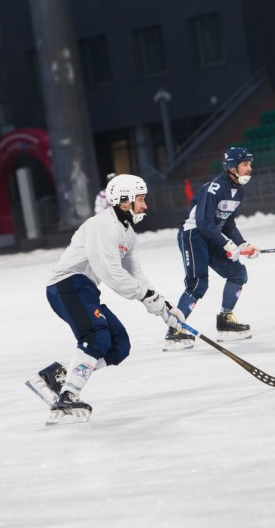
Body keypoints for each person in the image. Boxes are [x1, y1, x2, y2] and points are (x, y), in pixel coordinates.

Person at [26, 174, 185, 425]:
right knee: (96, 336)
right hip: (67, 285)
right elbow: (110, 272)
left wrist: (164, 308)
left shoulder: (127, 232)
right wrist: (146, 296)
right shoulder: (102, 225)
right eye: (140, 199)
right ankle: (67, 396)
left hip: (85, 289)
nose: (145, 206)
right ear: (124, 201)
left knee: (118, 345)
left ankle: (55, 376)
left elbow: (136, 275)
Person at [164, 147, 258, 351]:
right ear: (232, 167)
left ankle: (225, 320)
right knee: (198, 284)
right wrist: (226, 244)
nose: (249, 168)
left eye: (250, 164)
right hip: (194, 234)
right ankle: (175, 329)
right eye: (245, 164)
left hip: (212, 235)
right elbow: (204, 222)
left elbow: (228, 223)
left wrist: (242, 244)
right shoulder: (215, 188)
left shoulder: (238, 192)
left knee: (237, 273)